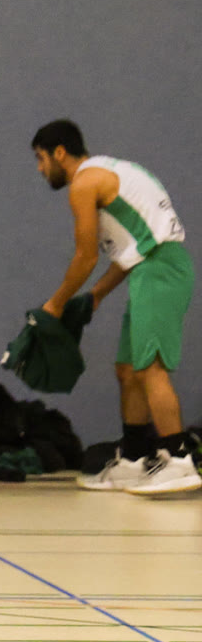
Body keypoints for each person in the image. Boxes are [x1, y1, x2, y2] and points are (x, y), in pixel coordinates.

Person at [32, 119, 198, 495]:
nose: (40, 169)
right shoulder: (110, 169)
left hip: (159, 270)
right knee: (128, 369)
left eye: (41, 158)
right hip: (149, 269)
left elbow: (85, 257)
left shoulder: (84, 183)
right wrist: (96, 295)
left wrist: (55, 304)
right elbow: (131, 250)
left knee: (150, 367)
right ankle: (134, 460)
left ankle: (179, 459)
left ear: (60, 152)